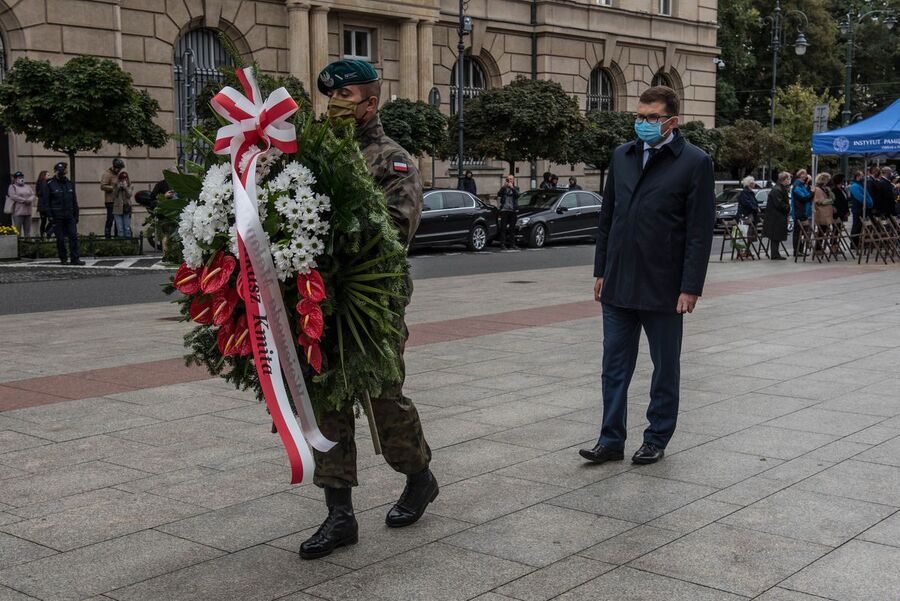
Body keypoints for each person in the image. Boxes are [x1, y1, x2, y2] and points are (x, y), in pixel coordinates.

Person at [304, 59, 436, 560]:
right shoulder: (314, 155)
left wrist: (334, 234)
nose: (336, 106)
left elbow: (397, 230)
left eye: (346, 98)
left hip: (371, 302)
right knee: (327, 401)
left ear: (370, 103)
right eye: (331, 98)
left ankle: (419, 476)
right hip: (320, 300)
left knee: (383, 398)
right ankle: (339, 515)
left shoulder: (392, 160)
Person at [580, 86, 714, 467]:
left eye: (651, 117)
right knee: (614, 366)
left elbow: (700, 232)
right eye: (639, 116)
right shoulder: (621, 156)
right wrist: (601, 270)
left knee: (665, 367)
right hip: (619, 281)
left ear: (672, 121)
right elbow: (608, 218)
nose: (643, 123)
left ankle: (656, 437)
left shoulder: (694, 161)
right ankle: (610, 439)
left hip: (665, 286)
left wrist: (690, 287)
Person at [42, 162, 84, 265]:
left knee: (73, 237)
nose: (61, 173)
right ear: (55, 171)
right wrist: (50, 216)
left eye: (63, 171)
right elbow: (46, 202)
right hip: (57, 216)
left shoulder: (69, 184)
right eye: (59, 171)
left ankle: (75, 258)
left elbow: (74, 201)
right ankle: (63, 258)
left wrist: (76, 215)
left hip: (69, 215)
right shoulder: (50, 184)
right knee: (60, 239)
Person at [763, 172, 791, 260]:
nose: (789, 180)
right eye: (788, 179)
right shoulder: (777, 189)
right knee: (775, 236)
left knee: (776, 236)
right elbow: (779, 204)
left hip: (777, 216)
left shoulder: (779, 188)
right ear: (784, 179)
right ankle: (775, 254)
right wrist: (788, 207)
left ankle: (775, 254)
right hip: (776, 217)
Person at [100, 158, 125, 238]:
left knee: (118, 220)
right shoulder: (107, 174)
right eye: (119, 168)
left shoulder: (118, 174)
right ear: (114, 167)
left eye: (120, 168)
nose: (119, 170)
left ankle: (117, 237)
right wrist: (114, 187)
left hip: (118, 200)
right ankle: (108, 236)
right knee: (110, 219)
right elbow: (103, 186)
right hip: (110, 201)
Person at [849, 169, 873, 249]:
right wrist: (867, 202)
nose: (863, 177)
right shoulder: (854, 186)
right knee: (856, 226)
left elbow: (866, 195)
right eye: (862, 176)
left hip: (863, 208)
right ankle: (853, 244)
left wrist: (870, 203)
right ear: (858, 176)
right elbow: (860, 197)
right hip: (858, 209)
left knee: (861, 227)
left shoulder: (861, 184)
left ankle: (859, 242)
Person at [7, 170, 35, 237]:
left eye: (21, 177)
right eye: (19, 178)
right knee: (17, 231)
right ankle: (18, 245)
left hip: (28, 212)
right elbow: (13, 196)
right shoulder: (12, 187)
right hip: (18, 212)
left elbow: (33, 194)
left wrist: (29, 200)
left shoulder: (27, 186)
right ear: (15, 179)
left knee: (27, 231)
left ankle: (27, 245)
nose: (21, 179)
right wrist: (24, 200)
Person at [791, 170, 812, 256]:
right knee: (798, 232)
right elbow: (804, 198)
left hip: (804, 212)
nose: (805, 176)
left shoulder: (802, 186)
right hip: (799, 212)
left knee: (803, 232)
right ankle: (796, 251)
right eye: (804, 174)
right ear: (800, 176)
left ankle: (800, 250)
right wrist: (813, 192)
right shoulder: (797, 186)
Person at [813, 172, 834, 256]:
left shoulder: (825, 189)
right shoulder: (817, 189)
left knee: (824, 230)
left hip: (827, 212)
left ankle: (820, 247)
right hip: (821, 213)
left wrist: (830, 192)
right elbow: (819, 201)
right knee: (821, 231)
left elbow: (833, 197)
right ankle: (818, 248)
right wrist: (830, 200)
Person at [497, 174, 520, 249]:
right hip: (504, 210)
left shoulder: (516, 188)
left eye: (511, 179)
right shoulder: (504, 188)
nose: (510, 180)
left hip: (512, 210)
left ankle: (512, 244)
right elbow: (499, 194)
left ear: (513, 180)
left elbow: (517, 195)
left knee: (512, 229)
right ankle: (502, 244)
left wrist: (512, 188)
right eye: (508, 179)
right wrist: (503, 187)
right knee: (503, 228)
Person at [112, 170, 133, 238]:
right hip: (117, 209)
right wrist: (118, 188)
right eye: (122, 178)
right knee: (120, 229)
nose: (123, 180)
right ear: (119, 179)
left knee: (127, 228)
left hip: (126, 208)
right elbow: (114, 195)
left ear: (127, 178)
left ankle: (128, 245)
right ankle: (122, 245)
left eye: (125, 178)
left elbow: (129, 195)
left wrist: (126, 188)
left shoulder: (130, 185)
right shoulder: (116, 185)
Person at [35, 170, 53, 239]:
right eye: (48, 175)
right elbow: (45, 194)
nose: (49, 176)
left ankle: (43, 235)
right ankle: (45, 233)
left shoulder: (41, 183)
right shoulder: (43, 183)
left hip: (42, 206)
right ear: (43, 176)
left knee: (43, 221)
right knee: (52, 220)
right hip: (44, 206)